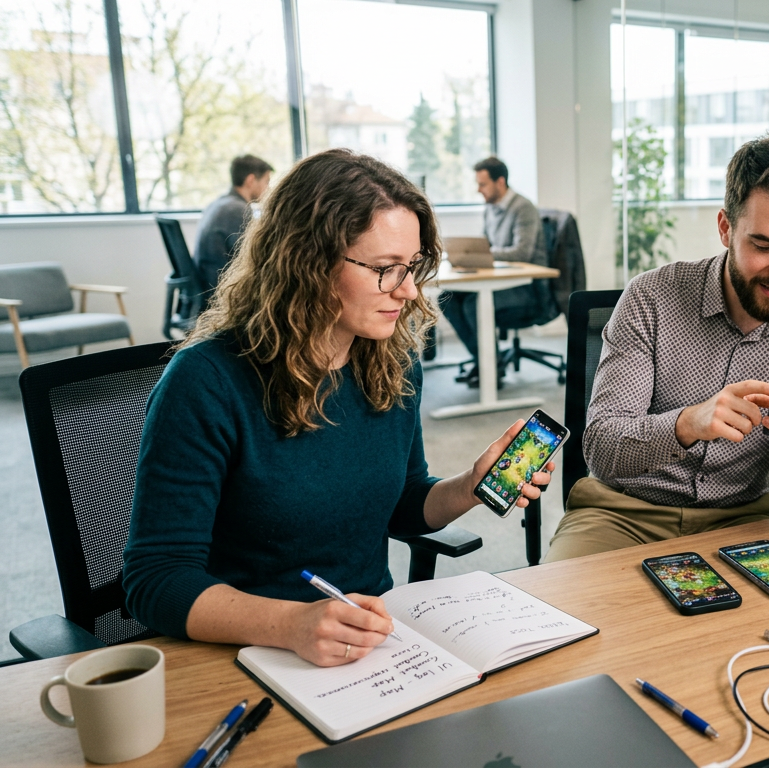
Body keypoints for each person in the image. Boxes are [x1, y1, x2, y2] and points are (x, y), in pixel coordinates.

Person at [123, 149, 552, 667]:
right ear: (308, 262)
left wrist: (468, 487)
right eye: (386, 269)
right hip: (244, 653)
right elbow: (156, 579)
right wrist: (293, 623)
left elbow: (402, 505)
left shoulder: (393, 363)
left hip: (369, 642)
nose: (410, 290)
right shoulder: (205, 382)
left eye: (412, 266)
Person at [546, 135, 769, 562]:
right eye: (763, 246)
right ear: (726, 228)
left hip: (742, 519)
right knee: (572, 616)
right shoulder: (651, 297)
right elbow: (601, 448)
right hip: (623, 514)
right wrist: (687, 424)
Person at [440, 156, 547, 385]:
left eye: (483, 184)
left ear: (500, 182)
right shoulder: (491, 208)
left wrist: (481, 254)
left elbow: (521, 253)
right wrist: (471, 255)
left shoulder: (523, 208)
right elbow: (486, 246)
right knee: (447, 299)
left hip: (528, 288)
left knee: (473, 304)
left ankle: (492, 368)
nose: (479, 190)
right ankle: (484, 362)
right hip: (503, 282)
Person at [195, 154, 274, 297]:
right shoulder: (237, 211)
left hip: (205, 282)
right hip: (218, 289)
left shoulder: (219, 204)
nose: (268, 188)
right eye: (266, 181)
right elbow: (256, 257)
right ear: (251, 180)